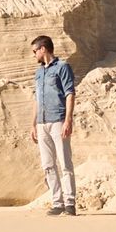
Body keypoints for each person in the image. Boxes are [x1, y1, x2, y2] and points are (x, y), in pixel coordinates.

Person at [30, 35, 77, 216]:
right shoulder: (39, 72)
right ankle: (57, 202)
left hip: (58, 119)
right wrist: (33, 123)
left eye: (35, 51)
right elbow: (37, 99)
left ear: (43, 49)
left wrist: (68, 119)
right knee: (48, 164)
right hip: (42, 123)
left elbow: (69, 93)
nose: (34, 55)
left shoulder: (62, 67)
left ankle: (70, 203)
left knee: (65, 162)